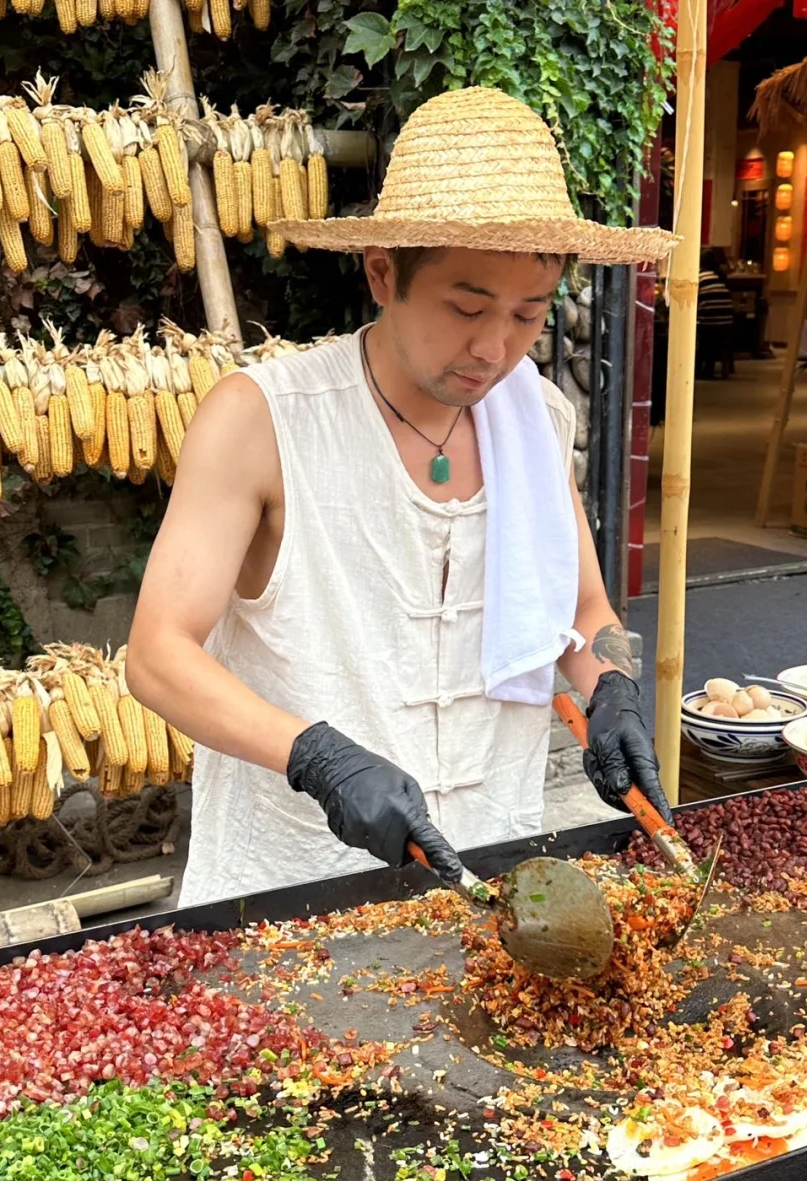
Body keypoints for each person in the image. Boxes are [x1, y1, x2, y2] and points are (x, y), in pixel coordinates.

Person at [126, 87, 676, 906]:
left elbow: (582, 607)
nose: (494, 349)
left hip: (494, 871)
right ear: (383, 272)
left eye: (528, 316)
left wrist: (612, 690)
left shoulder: (536, 417)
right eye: (467, 308)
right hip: (292, 886)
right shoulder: (263, 420)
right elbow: (158, 655)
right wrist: (317, 757)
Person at [696, 246, 734, 379]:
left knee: (701, 338)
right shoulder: (720, 277)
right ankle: (710, 368)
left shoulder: (699, 277)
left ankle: (699, 369)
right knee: (710, 338)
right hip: (727, 322)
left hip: (709, 321)